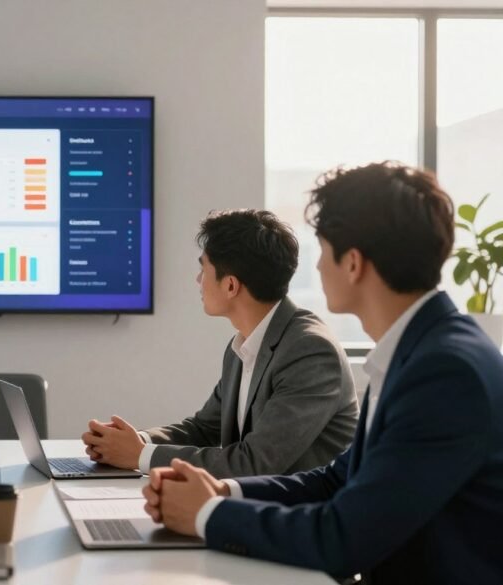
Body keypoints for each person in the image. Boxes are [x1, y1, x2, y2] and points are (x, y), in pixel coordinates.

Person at [143, 162, 503, 584]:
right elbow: (337, 479)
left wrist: (208, 514)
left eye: (322, 250)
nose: (314, 269)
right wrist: (225, 492)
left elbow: (343, 539)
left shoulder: (445, 372)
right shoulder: (417, 351)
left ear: (353, 263)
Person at [82, 209, 357, 478]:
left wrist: (139, 455)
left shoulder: (310, 351)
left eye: (203, 269)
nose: (198, 280)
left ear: (230, 286)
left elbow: (255, 463)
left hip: (298, 516)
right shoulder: (243, 346)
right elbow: (204, 429)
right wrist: (130, 441)